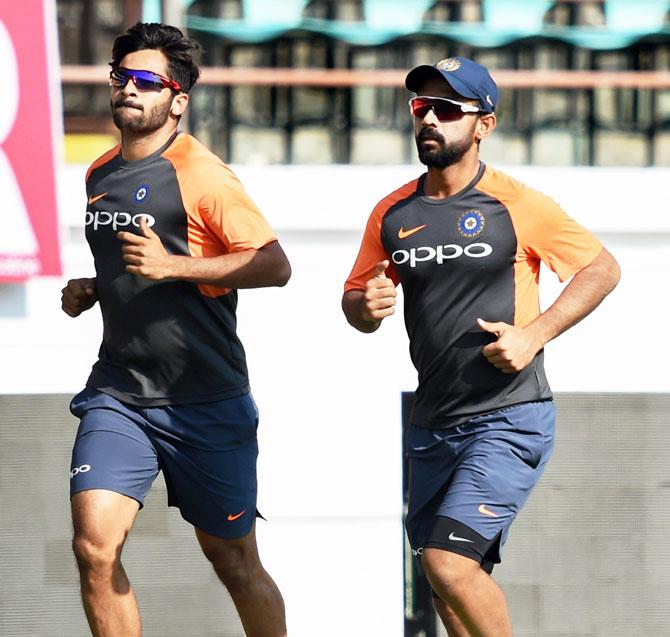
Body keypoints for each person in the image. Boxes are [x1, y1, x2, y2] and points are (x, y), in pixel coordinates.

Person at [341, 56, 620, 636]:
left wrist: (534, 334)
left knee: (449, 563)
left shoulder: (517, 203)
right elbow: (356, 300)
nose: (429, 120)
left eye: (447, 109)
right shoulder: (392, 212)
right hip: (433, 424)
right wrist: (362, 308)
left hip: (509, 417)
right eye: (422, 107)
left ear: (483, 125)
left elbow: (601, 268)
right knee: (447, 588)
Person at [61, 22, 290, 637]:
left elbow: (274, 264)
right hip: (121, 395)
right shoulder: (99, 173)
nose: (129, 89)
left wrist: (173, 267)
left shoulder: (203, 173)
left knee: (234, 560)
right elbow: (131, 267)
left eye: (146, 81)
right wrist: (94, 287)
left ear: (178, 100)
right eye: (121, 77)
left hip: (206, 402)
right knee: (93, 546)